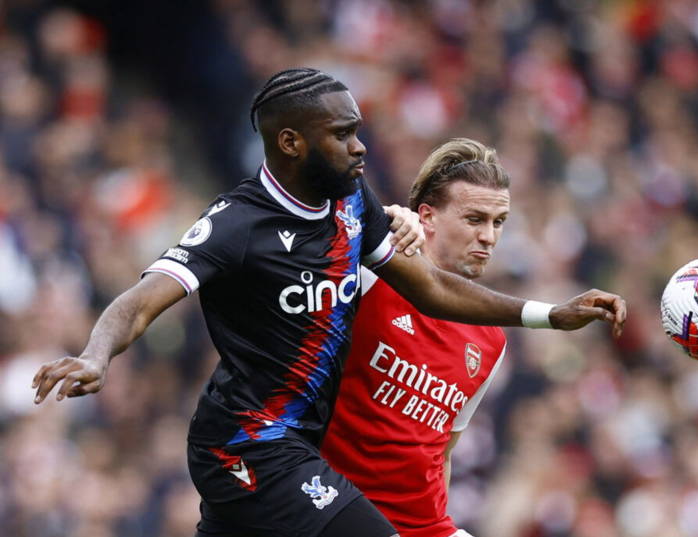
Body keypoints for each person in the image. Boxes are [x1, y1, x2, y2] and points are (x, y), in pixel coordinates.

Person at [31, 68, 626, 537]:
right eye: (342, 135)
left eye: (357, 130)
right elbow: (140, 301)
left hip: (294, 448)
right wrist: (96, 355)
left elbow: (431, 288)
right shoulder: (237, 225)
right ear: (291, 142)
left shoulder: (350, 203)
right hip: (248, 444)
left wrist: (550, 315)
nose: (360, 147)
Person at [322, 138, 513, 537]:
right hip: (336, 511)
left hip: (425, 527)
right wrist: (386, 219)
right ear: (426, 216)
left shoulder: (491, 341)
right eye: (474, 219)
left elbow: (441, 453)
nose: (489, 237)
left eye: (498, 222)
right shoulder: (370, 274)